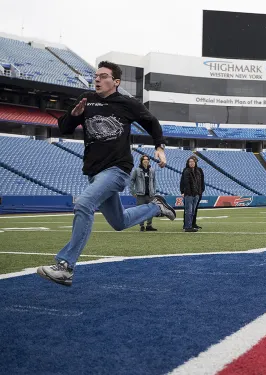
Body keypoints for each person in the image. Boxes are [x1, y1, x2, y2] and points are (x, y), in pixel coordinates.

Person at [37, 61, 176, 287]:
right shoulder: (86, 99)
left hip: (117, 169)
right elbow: (64, 128)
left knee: (83, 204)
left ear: (116, 82)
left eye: (103, 76)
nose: (97, 79)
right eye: (96, 76)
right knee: (119, 222)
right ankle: (156, 206)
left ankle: (65, 266)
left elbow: (151, 122)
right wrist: (74, 115)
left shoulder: (126, 103)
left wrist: (159, 147)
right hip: (94, 172)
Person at [130, 155, 158, 231]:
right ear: (141, 161)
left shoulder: (152, 170)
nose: (146, 160)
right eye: (144, 159)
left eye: (147, 159)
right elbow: (131, 181)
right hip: (140, 194)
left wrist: (154, 191)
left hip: (150, 194)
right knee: (140, 211)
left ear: (149, 161)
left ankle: (149, 225)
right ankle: (142, 226)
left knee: (151, 210)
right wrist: (133, 191)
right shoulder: (136, 170)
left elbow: (154, 181)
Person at [180, 156, 205, 232]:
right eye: (190, 162)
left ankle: (191, 225)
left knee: (193, 211)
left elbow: (202, 182)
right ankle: (187, 226)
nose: (191, 163)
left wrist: (201, 191)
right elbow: (183, 182)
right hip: (189, 194)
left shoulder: (199, 170)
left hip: (197, 193)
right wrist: (183, 192)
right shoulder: (186, 170)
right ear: (188, 163)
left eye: (193, 162)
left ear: (195, 163)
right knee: (189, 211)